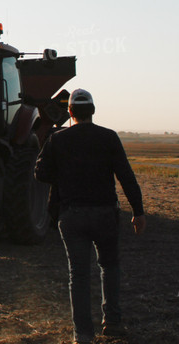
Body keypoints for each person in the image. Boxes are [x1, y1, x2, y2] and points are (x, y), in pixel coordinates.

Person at [35, 88, 146, 344]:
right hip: (106, 213)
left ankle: (83, 334)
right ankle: (113, 323)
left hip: (72, 216)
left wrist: (63, 177)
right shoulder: (109, 138)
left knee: (79, 274)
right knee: (109, 266)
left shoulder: (57, 139)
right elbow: (127, 177)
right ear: (93, 111)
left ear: (70, 112)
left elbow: (39, 173)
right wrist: (138, 212)